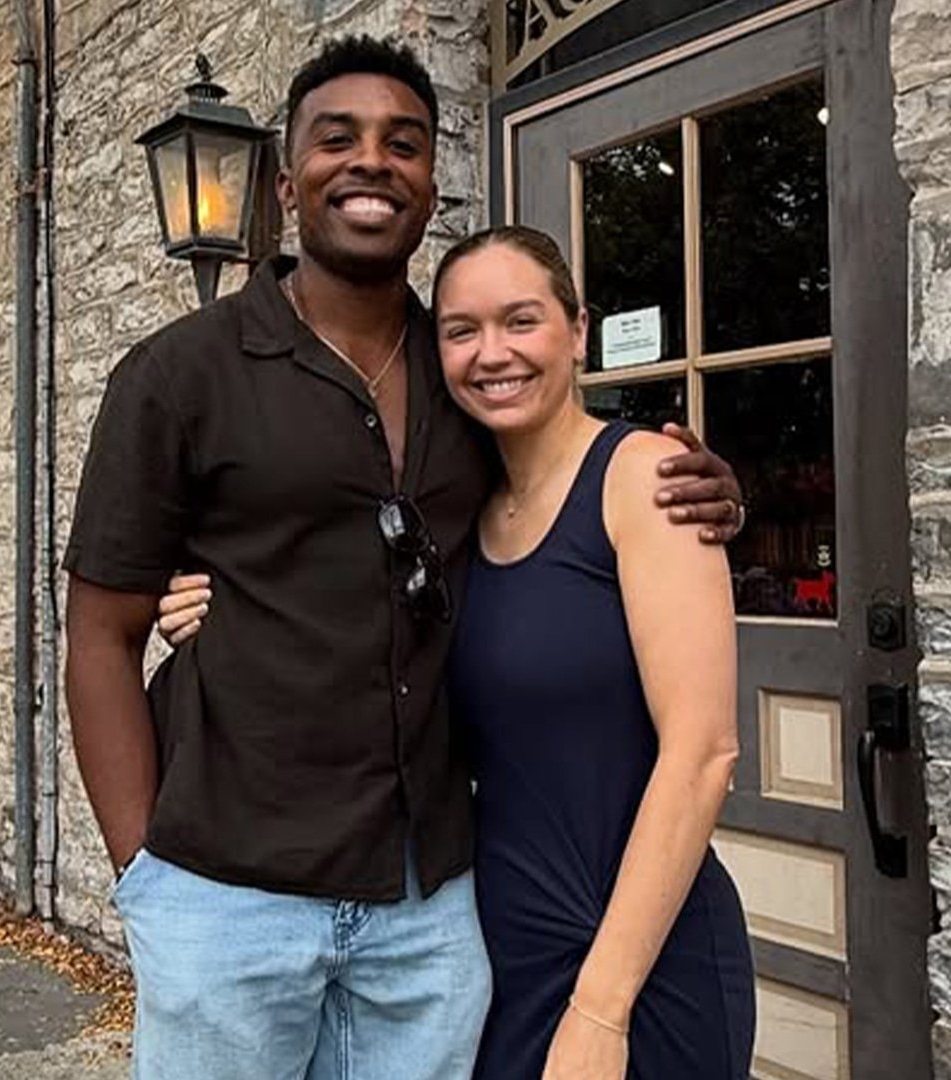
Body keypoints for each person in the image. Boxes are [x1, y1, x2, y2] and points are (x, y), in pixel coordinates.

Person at [66, 34, 745, 1080]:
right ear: (285, 184)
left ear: (431, 186)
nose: (372, 162)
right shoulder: (177, 376)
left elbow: (565, 470)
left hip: (430, 916)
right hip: (229, 902)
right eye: (337, 139)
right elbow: (98, 638)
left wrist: (702, 483)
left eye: (404, 143)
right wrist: (146, 882)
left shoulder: (458, 377)